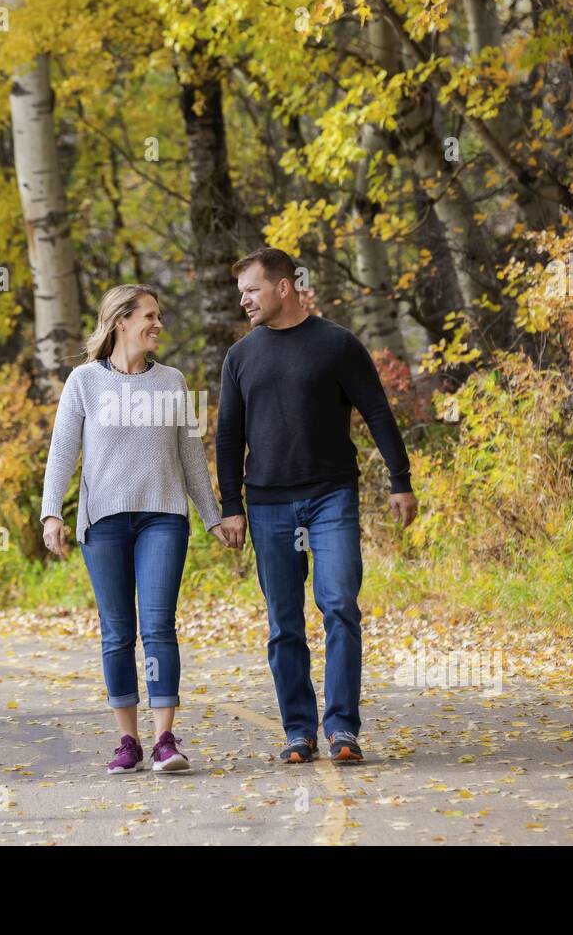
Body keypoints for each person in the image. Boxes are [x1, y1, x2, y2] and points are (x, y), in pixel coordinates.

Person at [215, 248, 419, 764]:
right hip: (266, 505)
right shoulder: (240, 357)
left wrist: (400, 480)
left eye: (251, 289)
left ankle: (342, 729)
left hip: (332, 497)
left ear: (284, 287)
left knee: (339, 607)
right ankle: (298, 731)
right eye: (241, 292)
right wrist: (230, 506)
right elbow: (227, 436)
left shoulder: (337, 345)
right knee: (284, 622)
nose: (244, 300)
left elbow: (376, 411)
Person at [40, 284, 227, 774]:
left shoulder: (172, 382)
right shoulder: (83, 382)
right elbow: (62, 451)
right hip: (103, 521)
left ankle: (165, 738)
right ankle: (129, 740)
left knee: (159, 625)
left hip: (163, 516)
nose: (158, 324)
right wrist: (51, 513)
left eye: (159, 316)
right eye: (149, 316)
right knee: (117, 632)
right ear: (120, 320)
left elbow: (191, 456)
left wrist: (212, 515)